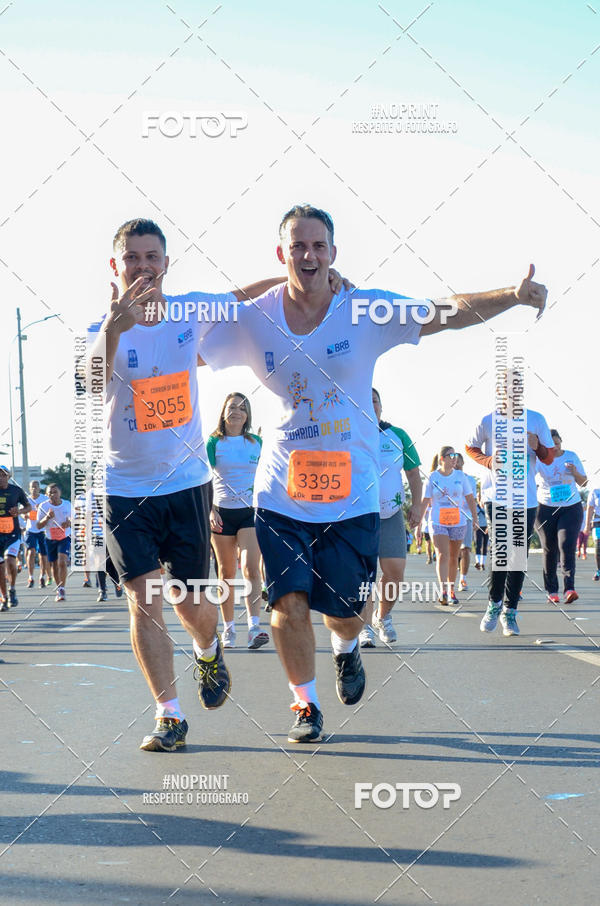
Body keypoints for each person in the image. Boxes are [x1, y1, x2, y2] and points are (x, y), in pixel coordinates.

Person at [199, 203, 547, 742]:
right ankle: (304, 705)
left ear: (334, 253)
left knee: (344, 609)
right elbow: (189, 332)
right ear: (281, 253)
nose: (308, 256)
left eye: (318, 246)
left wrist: (511, 294)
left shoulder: (365, 310)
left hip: (352, 493)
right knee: (287, 602)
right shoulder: (256, 317)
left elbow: (445, 312)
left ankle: (346, 648)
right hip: (280, 492)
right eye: (297, 246)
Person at [88, 217, 347, 753]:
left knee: (190, 605)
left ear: (165, 264)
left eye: (151, 257)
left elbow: (243, 300)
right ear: (115, 266)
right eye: (131, 258)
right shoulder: (102, 331)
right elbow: (86, 390)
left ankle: (209, 648)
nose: (142, 267)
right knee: (144, 601)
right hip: (124, 488)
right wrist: (115, 328)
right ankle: (169, 716)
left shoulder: (190, 310)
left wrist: (308, 281)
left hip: (185, 485)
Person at [467, 404, 555, 636]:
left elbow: (549, 457)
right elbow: (470, 447)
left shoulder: (536, 419)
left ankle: (510, 610)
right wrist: (488, 461)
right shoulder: (488, 420)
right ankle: (494, 603)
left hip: (524, 498)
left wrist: (539, 448)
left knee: (518, 554)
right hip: (496, 496)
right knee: (500, 549)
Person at [359, 387, 422, 647]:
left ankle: (382, 617)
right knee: (364, 575)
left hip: (391, 513)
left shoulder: (398, 436)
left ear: (381, 406)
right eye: (365, 400)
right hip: (359, 514)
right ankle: (363, 628)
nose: (371, 404)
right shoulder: (349, 435)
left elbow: (414, 475)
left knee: (395, 572)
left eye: (375, 400)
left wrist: (417, 506)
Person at [207, 392, 269, 650]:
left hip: (249, 513)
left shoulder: (256, 443)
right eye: (232, 407)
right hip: (221, 513)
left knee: (250, 568)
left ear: (247, 416)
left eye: (242, 408)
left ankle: (254, 627)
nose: (236, 412)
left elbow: (270, 473)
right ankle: (229, 628)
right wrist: (210, 509)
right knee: (226, 572)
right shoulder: (213, 443)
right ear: (223, 412)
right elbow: (202, 477)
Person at [420, 447, 477, 605]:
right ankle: (443, 590)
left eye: (455, 455)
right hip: (438, 521)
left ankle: (452, 590)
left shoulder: (461, 476)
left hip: (458, 521)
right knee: (442, 554)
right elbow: (425, 501)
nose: (454, 458)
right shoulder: (432, 477)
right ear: (441, 459)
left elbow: (470, 498)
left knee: (454, 556)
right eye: (451, 455)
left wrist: (475, 518)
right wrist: (419, 524)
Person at [535, 429, 587, 604]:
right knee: (549, 548)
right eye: (551, 444)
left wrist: (575, 472)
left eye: (557, 443)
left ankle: (569, 588)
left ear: (561, 442)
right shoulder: (538, 460)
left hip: (570, 507)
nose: (555, 447)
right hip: (545, 508)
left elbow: (584, 482)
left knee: (566, 545)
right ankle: (552, 590)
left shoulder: (571, 456)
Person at [0, 466, 30, 609]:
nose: (1, 477)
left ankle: (12, 589)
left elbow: (29, 507)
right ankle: (4, 598)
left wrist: (19, 511)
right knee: (0, 569)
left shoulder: (16, 491)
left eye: (3, 475)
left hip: (12, 533)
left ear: (8, 476)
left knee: (10, 561)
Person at [37, 484, 71, 602]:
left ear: (60, 493)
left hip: (64, 537)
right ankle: (59, 587)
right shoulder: (43, 506)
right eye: (50, 493)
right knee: (54, 565)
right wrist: (47, 517)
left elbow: (74, 519)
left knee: (62, 561)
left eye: (55, 492)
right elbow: (38, 525)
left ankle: (62, 588)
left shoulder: (67, 504)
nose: (53, 495)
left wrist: (69, 523)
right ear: (46, 495)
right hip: (50, 538)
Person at [454, 453, 477, 590]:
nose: (456, 464)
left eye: (458, 461)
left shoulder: (470, 480)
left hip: (466, 517)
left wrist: (475, 518)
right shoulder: (447, 478)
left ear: (463, 463)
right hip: (451, 518)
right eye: (453, 461)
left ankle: (463, 579)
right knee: (454, 551)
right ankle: (453, 573)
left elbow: (471, 500)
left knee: (466, 549)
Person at [25, 480, 49, 588]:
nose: (34, 489)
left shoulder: (44, 499)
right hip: (31, 530)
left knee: (43, 555)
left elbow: (50, 511)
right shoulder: (26, 500)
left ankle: (42, 576)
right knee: (31, 552)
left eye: (36, 487)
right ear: (29, 489)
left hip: (42, 530)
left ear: (39, 488)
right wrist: (24, 516)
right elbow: (22, 512)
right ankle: (30, 577)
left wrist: (41, 508)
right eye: (32, 487)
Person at [585, 488, 600, 580]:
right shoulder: (595, 492)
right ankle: (599, 570)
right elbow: (590, 508)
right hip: (597, 522)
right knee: (598, 546)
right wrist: (587, 525)